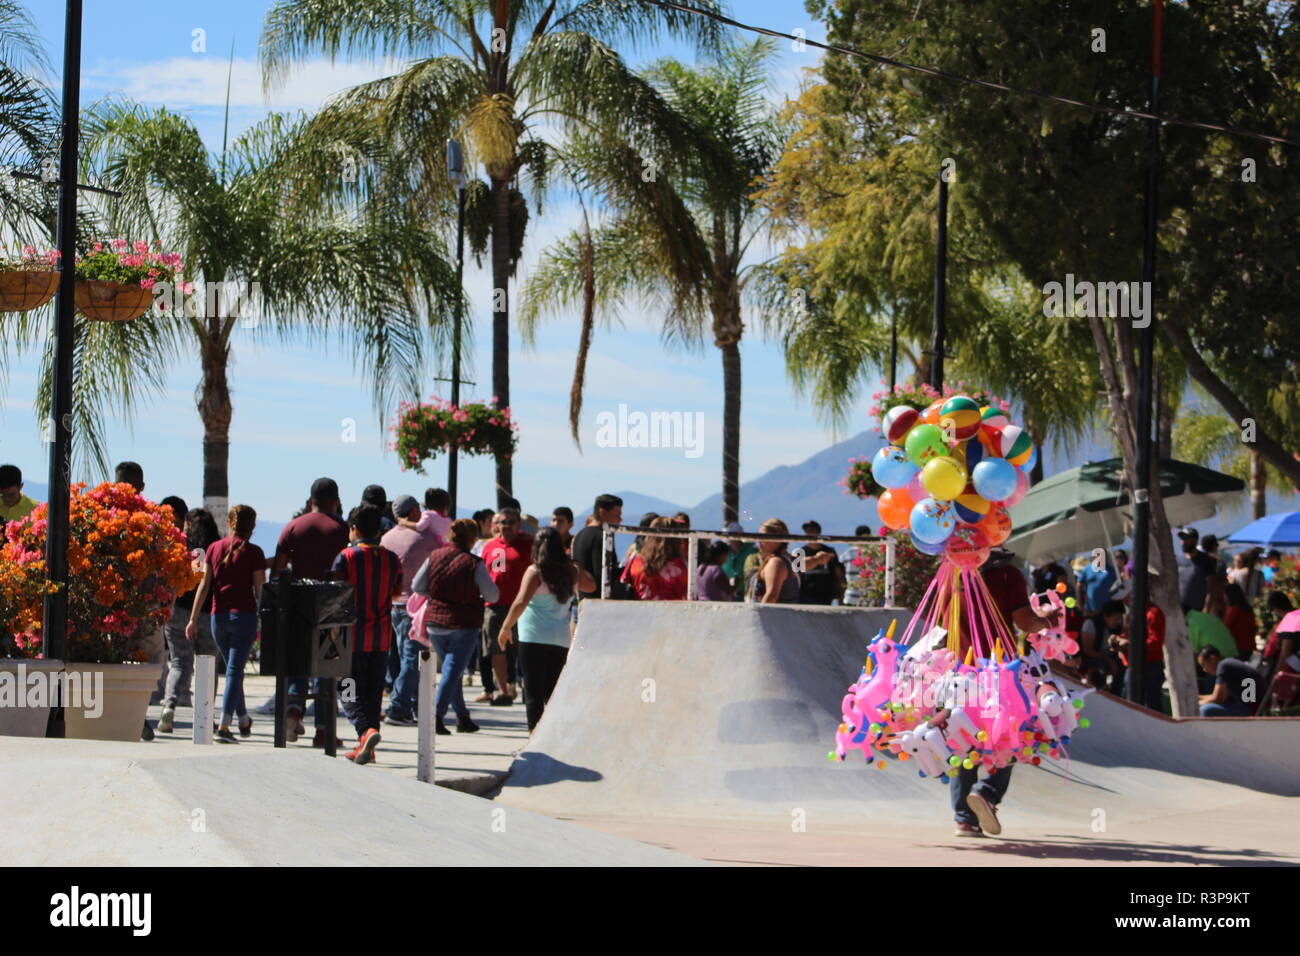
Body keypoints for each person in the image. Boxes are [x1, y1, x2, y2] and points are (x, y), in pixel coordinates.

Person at [949, 548, 1060, 838]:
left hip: (960, 670)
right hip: (1000, 673)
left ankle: (964, 819)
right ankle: (987, 791)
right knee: (1009, 734)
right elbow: (1024, 621)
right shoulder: (1007, 575)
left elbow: (941, 621)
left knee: (965, 742)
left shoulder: (953, 574)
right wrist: (1047, 619)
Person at [273, 477, 350, 746]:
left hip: (297, 604)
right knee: (326, 667)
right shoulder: (343, 529)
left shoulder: (293, 527)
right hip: (332, 605)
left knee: (297, 664)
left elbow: (279, 569)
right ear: (336, 501)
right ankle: (323, 730)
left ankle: (293, 712)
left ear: (310, 500)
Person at [496, 527, 596, 730]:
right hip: (560, 639)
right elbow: (592, 586)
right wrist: (575, 562)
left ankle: (534, 739)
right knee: (552, 694)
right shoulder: (573, 572)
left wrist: (505, 628)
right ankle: (551, 737)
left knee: (533, 694)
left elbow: (521, 601)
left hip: (532, 637)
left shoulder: (535, 572)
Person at [185, 505, 266, 743]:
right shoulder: (254, 553)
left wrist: (192, 618)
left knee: (233, 669)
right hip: (244, 617)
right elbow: (260, 591)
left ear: (229, 523)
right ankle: (224, 725)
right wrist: (266, 620)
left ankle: (242, 718)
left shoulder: (213, 548)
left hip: (216, 618)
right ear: (252, 527)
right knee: (234, 670)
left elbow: (204, 586)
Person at [411, 518, 498, 733]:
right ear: (472, 538)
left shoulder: (434, 557)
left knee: (454, 671)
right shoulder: (473, 563)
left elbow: (417, 586)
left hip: (435, 622)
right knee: (452, 670)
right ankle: (436, 715)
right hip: (464, 622)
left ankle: (462, 717)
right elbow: (492, 595)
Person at [331, 504, 402, 764]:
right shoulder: (392, 559)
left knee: (346, 687)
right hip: (381, 637)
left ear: (354, 529)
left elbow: (335, 596)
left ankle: (365, 730)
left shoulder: (346, 557)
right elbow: (396, 592)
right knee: (373, 693)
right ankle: (368, 748)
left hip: (352, 637)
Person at [112, 461, 167, 740]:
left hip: (112, 604)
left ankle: (133, 716)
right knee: (152, 661)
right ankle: (138, 715)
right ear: (142, 487)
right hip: (145, 603)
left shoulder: (103, 515)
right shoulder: (152, 519)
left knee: (116, 659)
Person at [159, 508, 223, 733]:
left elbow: (173, 581)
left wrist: (169, 605)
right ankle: (204, 716)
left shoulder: (181, 548)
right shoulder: (215, 549)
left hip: (177, 612)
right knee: (207, 664)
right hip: (207, 614)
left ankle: (169, 706)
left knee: (179, 663)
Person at [381, 494, 444, 726]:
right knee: (413, 659)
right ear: (415, 511)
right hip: (416, 608)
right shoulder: (425, 538)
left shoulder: (386, 539)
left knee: (401, 657)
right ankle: (397, 707)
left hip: (392, 605)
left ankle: (415, 707)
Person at [479, 509, 534, 704]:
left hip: (523, 606)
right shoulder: (490, 546)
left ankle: (524, 687)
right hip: (494, 606)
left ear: (518, 524)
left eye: (511, 522)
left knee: (521, 649)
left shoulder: (528, 544)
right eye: (503, 522)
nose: (506, 526)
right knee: (496, 649)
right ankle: (503, 691)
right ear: (497, 524)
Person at [1112, 601, 1167, 712]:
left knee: (1151, 706)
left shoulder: (1152, 613)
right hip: (1132, 666)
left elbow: (1155, 642)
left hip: (1149, 666)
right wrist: (1117, 639)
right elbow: (1129, 634)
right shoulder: (1134, 611)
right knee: (1128, 704)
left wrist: (1129, 644)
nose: (1125, 601)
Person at [572, 493, 625, 600]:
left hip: (583, 601)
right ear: (602, 513)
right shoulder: (601, 537)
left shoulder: (580, 534)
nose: (620, 520)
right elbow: (603, 577)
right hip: (597, 605)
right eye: (617, 515)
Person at [623, 516, 688, 600]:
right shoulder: (680, 566)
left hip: (639, 610)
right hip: (671, 611)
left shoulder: (635, 560)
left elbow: (624, 582)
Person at [1197, 646, 1263, 717]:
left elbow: (1218, 698)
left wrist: (1196, 704)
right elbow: (1220, 697)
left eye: (1204, 665)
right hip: (1250, 706)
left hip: (1251, 709)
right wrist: (1197, 698)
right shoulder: (1228, 663)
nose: (1204, 670)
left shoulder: (1224, 666)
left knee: (1205, 710)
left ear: (1213, 659)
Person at [794, 520, 845, 605]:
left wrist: (840, 598)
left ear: (818, 532)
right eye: (806, 532)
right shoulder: (800, 553)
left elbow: (839, 575)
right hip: (805, 598)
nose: (808, 534)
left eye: (811, 531)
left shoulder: (829, 551)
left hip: (825, 597)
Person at [751, 518, 800, 604]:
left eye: (762, 536)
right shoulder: (786, 560)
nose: (759, 541)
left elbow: (771, 596)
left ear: (776, 539)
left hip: (774, 616)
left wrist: (758, 616)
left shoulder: (776, 563)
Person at [1176, 528, 1217, 614]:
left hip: (1197, 610)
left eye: (1187, 539)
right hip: (1179, 609)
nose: (1183, 542)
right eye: (1182, 539)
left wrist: (1206, 609)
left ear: (1195, 540)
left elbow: (1211, 588)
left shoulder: (1206, 560)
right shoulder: (1177, 560)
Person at [722, 522, 757, 603]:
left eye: (735, 535)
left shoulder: (751, 548)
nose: (733, 538)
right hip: (727, 593)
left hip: (746, 592)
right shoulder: (724, 551)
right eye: (730, 535)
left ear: (741, 535)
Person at [1222, 582, 1258, 659]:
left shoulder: (1233, 610)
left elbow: (1225, 629)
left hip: (1238, 648)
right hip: (1250, 646)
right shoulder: (1247, 609)